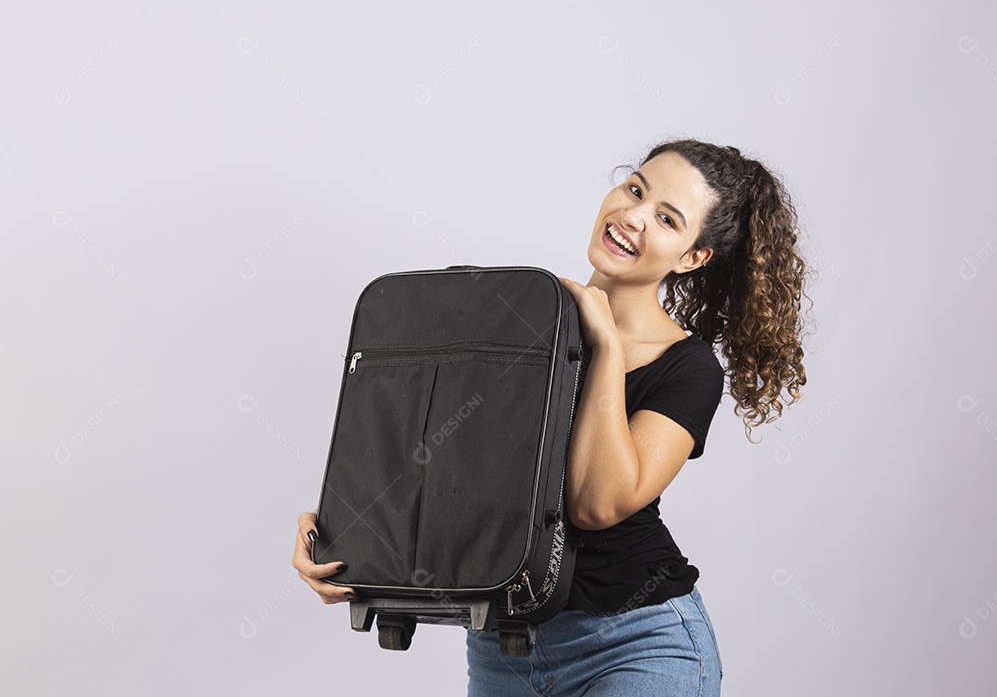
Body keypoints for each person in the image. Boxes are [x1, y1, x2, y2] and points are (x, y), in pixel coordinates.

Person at [291, 138, 811, 696]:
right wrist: (345, 530)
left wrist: (605, 347)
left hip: (636, 641)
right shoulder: (522, 318)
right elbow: (443, 463)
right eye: (635, 189)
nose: (633, 216)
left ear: (692, 257)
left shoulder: (688, 367)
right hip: (503, 643)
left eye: (666, 218)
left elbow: (596, 503)